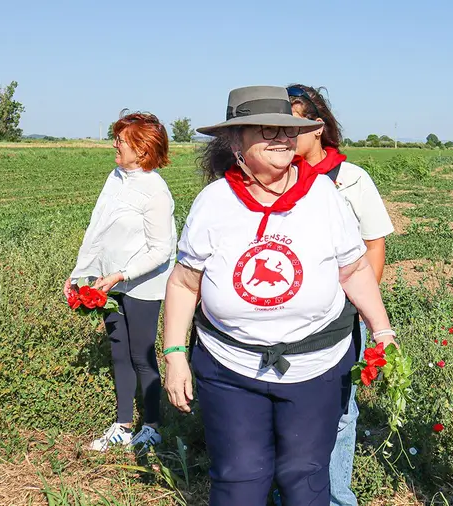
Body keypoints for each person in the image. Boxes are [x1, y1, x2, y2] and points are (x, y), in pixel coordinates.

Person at [160, 86, 397, 505]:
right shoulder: (213, 202)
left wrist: (383, 333)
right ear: (235, 142)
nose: (282, 140)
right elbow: (183, 283)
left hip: (317, 366)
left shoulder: (324, 195)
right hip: (229, 365)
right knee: (239, 479)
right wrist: (175, 353)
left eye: (288, 131)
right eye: (267, 131)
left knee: (304, 476)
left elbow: (356, 269)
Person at [287, 83, 395, 506]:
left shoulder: (350, 180)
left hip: (342, 317)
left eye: (295, 125)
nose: (285, 135)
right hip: (290, 320)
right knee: (291, 409)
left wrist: (362, 308)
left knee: (340, 412)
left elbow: (374, 244)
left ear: (318, 127)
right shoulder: (276, 179)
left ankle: (336, 496)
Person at [64, 112, 176, 451]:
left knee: (142, 355)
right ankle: (123, 425)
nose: (115, 144)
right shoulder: (115, 178)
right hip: (108, 284)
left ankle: (152, 427)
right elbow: (97, 229)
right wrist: (80, 273)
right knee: (118, 353)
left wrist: (121, 274)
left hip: (141, 285)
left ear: (142, 150)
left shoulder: (155, 191)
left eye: (122, 140)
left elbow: (161, 250)